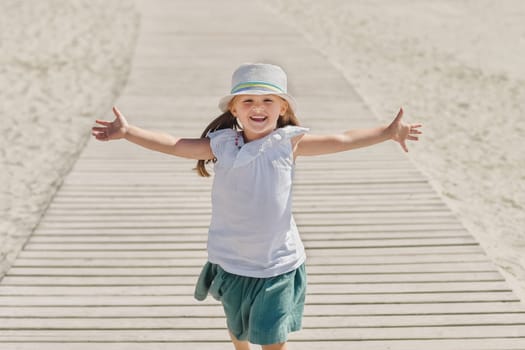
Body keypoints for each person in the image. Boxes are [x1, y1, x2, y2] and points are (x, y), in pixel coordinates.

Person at [92, 63, 422, 350]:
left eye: (268, 100)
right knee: (237, 325)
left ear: (281, 109)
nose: (258, 107)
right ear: (234, 110)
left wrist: (387, 132)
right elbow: (174, 145)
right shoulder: (222, 145)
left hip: (277, 263)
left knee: (271, 336)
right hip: (232, 258)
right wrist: (129, 132)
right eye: (247, 101)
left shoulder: (288, 144)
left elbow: (344, 139)